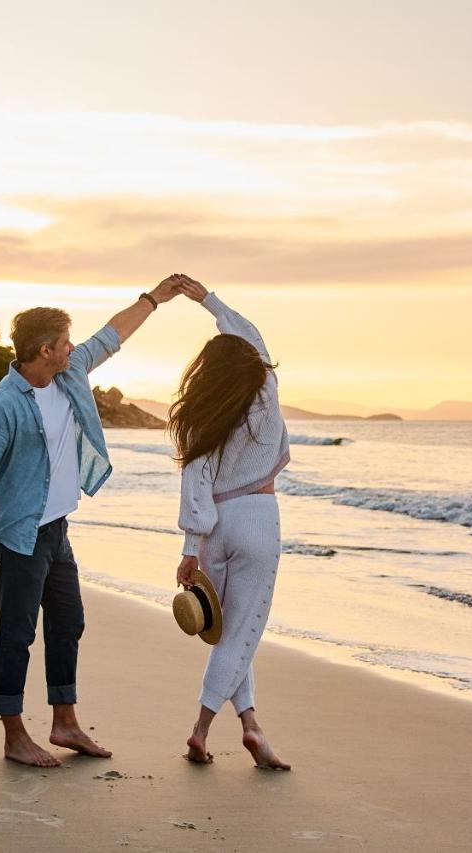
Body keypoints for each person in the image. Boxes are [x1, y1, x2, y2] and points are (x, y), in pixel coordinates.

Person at [0, 276, 184, 767]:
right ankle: (15, 734)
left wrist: (153, 299)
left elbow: (112, 335)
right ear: (46, 350)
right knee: (17, 633)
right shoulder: (2, 406)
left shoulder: (69, 373)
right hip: (19, 533)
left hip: (57, 528)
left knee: (69, 622)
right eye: (65, 342)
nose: (74, 348)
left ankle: (64, 723)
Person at [169, 274, 292, 771]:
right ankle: (200, 730)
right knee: (241, 633)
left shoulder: (203, 414)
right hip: (257, 518)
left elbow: (195, 482)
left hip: (215, 526)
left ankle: (252, 726)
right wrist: (210, 302)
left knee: (229, 631)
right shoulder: (264, 392)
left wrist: (191, 546)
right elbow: (251, 335)